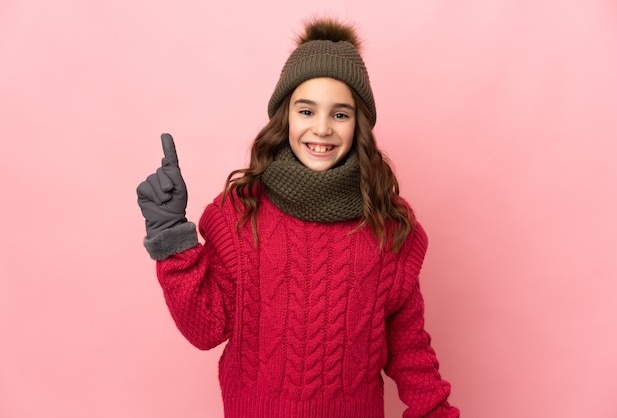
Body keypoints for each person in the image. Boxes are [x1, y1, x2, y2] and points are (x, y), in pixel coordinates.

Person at [137, 17, 459, 418]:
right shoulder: (240, 214)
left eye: (340, 115)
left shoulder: (388, 227)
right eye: (307, 110)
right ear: (285, 116)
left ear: (358, 124)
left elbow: (410, 351)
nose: (321, 128)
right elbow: (206, 329)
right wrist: (170, 235)